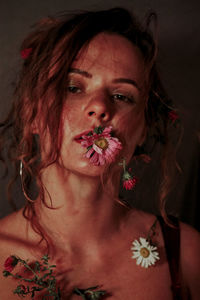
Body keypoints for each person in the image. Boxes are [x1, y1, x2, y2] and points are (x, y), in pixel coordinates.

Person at [0, 7, 199, 300]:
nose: (100, 107)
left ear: (142, 129)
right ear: (32, 114)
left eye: (122, 96)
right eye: (73, 87)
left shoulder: (187, 254)